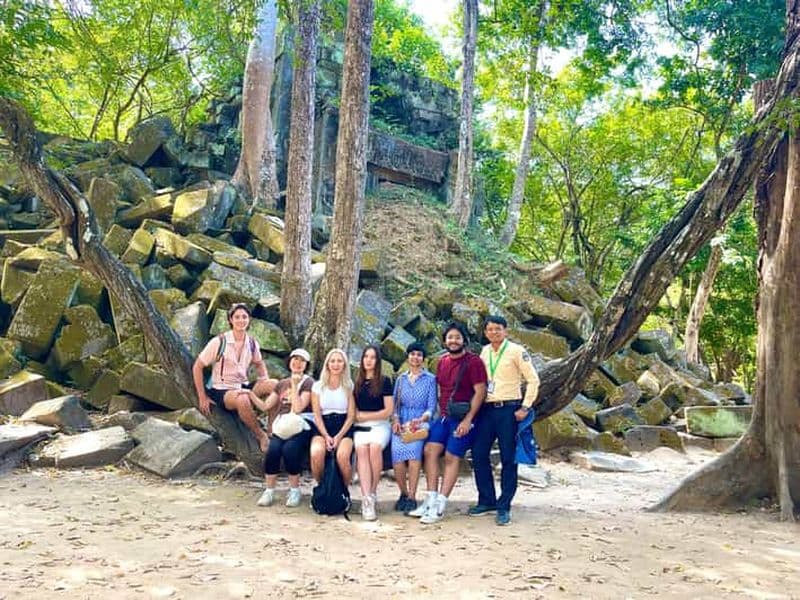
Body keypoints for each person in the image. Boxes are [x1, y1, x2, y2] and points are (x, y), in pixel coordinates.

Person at [409, 322, 487, 524]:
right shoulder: (442, 362)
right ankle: (430, 498)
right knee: (429, 451)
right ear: (444, 341)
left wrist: (469, 419)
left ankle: (441, 504)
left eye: (457, 337)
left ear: (464, 340)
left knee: (452, 456)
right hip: (443, 417)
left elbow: (480, 392)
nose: (453, 341)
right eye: (450, 337)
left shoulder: (474, 362)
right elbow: (440, 392)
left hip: (464, 419)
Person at [472, 315, 540, 525]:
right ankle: (487, 500)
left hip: (509, 410)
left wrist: (525, 407)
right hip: (487, 409)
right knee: (479, 453)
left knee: (508, 458)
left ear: (506, 331)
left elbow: (533, 380)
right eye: (490, 329)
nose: (494, 333)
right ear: (485, 332)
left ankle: (504, 505)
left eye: (498, 329)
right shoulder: (484, 352)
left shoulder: (517, 351)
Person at [192, 303, 276, 451]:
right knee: (242, 399)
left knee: (276, 385)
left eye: (244, 317)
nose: (241, 320)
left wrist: (264, 378)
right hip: (222, 390)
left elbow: (259, 363)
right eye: (237, 317)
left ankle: (271, 429)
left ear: (249, 319)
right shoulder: (219, 341)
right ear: (230, 320)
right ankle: (260, 435)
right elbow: (197, 366)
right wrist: (202, 397)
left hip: (242, 385)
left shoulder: (252, 342)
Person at [258, 348, 314, 508]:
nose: (297, 363)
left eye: (302, 360)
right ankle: (269, 490)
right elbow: (266, 405)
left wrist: (295, 385)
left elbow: (298, 408)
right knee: (273, 449)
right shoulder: (282, 383)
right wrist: (249, 395)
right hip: (283, 425)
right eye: (294, 359)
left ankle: (295, 490)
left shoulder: (309, 383)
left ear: (306, 365)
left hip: (301, 425)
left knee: (290, 449)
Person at [390, 342, 437, 514]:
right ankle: (402, 492)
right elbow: (394, 405)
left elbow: (431, 407)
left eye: (419, 354)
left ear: (423, 359)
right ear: (408, 357)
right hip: (402, 421)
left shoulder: (430, 379)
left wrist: (421, 419)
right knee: (396, 454)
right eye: (412, 354)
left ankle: (412, 495)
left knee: (414, 453)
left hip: (420, 422)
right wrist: (395, 419)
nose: (415, 357)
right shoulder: (401, 379)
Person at [352, 345, 394, 521]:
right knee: (362, 449)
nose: (368, 360)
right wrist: (359, 417)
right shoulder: (357, 382)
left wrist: (365, 416)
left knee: (375, 448)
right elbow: (353, 411)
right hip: (361, 426)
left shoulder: (384, 381)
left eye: (372, 357)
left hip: (380, 425)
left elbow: (388, 411)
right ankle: (366, 498)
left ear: (377, 361)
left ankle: (373, 491)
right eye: (366, 357)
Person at [309, 348, 355, 489]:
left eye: (339, 361)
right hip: (323, 426)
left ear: (344, 365)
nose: (336, 364)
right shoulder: (317, 386)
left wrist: (339, 436)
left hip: (343, 426)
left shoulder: (349, 386)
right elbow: (316, 414)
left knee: (342, 456)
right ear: (327, 364)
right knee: (316, 452)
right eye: (332, 361)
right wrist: (326, 435)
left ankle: (344, 491)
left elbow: (351, 415)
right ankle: (322, 488)